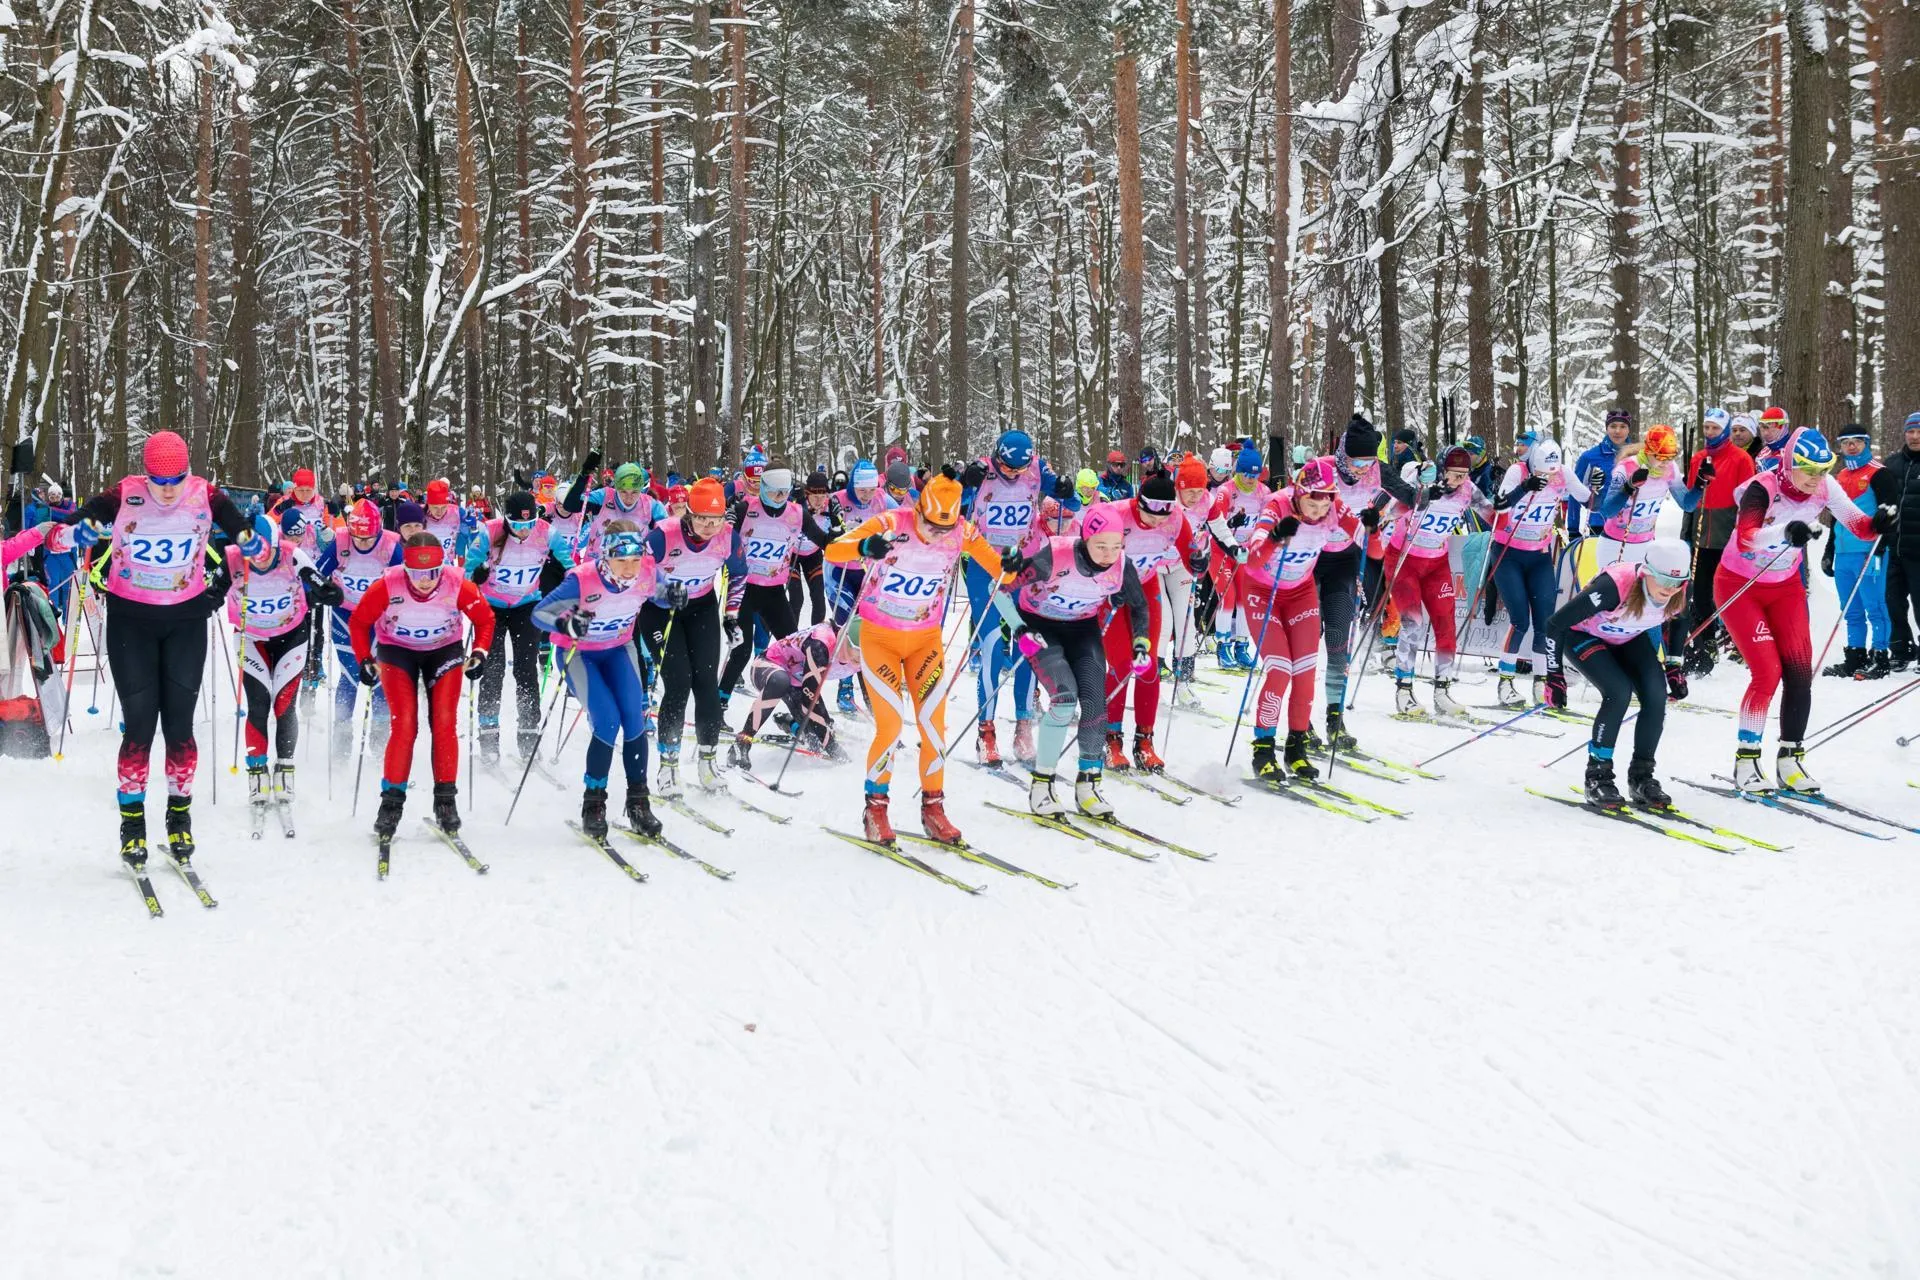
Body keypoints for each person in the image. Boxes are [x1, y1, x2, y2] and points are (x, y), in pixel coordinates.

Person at [68, 430, 263, 869]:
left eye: (176, 479)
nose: (169, 489)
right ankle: (132, 827)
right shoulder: (127, 493)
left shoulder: (204, 494)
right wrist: (80, 528)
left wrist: (248, 541)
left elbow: (238, 527)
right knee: (139, 727)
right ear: (146, 475)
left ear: (187, 472)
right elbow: (88, 514)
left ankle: (179, 819)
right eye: (160, 481)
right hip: (131, 621)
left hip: (185, 623)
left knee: (179, 728)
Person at [824, 472, 1004, 844]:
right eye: (931, 526)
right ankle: (875, 810)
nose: (937, 535)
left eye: (945, 529)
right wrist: (864, 546)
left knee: (934, 728)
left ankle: (933, 809)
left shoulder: (962, 531)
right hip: (880, 639)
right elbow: (833, 550)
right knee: (890, 727)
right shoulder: (892, 522)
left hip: (925, 642)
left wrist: (1018, 564)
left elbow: (999, 566)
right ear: (918, 511)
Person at [1717, 428, 1891, 791]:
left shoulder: (1826, 485)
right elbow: (1747, 538)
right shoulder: (1763, 487)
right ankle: (1746, 760)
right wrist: (1785, 531)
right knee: (1767, 672)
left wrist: (1878, 524)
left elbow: (1858, 525)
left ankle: (1790, 760)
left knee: (1799, 671)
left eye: (1823, 469)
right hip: (1741, 585)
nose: (1816, 478)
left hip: (1785, 588)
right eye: (1808, 470)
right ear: (1789, 465)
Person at [999, 504, 1148, 817]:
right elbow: (997, 589)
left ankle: (1088, 786)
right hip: (1040, 626)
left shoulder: (1122, 565)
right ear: (1086, 538)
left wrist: (1140, 645)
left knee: (1095, 701)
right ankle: (1042, 785)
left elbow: (1139, 606)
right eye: (1101, 546)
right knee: (1064, 698)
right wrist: (1019, 629)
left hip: (1082, 629)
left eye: (1116, 546)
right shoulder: (1056, 555)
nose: (1109, 554)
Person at [347, 533, 495, 836]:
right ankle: (391, 803)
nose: (425, 581)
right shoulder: (387, 584)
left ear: (442, 567)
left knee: (444, 721)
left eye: (432, 572)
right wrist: (364, 659)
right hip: (396, 652)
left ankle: (445, 801)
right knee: (404, 724)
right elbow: (359, 623)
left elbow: (485, 619)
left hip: (444, 650)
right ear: (405, 569)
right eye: (416, 574)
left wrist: (479, 652)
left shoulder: (457, 583)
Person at [531, 522, 662, 838]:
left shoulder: (647, 571)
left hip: (619, 650)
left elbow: (664, 593)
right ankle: (594, 803)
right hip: (579, 655)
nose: (630, 568)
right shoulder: (582, 579)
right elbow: (540, 613)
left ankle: (639, 803)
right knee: (607, 721)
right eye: (621, 560)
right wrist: (566, 623)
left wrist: (674, 594)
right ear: (606, 556)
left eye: (635, 559)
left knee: (635, 720)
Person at [1547, 538, 1693, 808]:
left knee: (1656, 695)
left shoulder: (1679, 589)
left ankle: (1641, 777)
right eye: (1664, 580)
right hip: (1583, 636)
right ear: (1646, 572)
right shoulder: (1614, 586)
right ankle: (1598, 776)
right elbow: (1555, 624)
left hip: (1627, 637)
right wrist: (1554, 675)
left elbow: (1680, 621)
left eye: (1677, 582)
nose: (1670, 588)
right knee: (1618, 692)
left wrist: (1674, 666)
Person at [1239, 458, 1361, 779]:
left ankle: (1296, 749)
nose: (1318, 513)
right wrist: (1275, 537)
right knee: (1280, 670)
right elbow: (1252, 561)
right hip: (1262, 593)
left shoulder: (1334, 508)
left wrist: (1374, 527)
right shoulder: (1276, 504)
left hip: (1300, 594)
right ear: (1298, 492)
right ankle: (1263, 749)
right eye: (1312, 504)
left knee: (1305, 673)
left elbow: (1372, 544)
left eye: (1324, 506)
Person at [223, 508, 339, 813]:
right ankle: (257, 773)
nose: (261, 559)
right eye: (254, 553)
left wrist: (326, 594)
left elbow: (321, 585)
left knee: (284, 703)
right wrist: (203, 601)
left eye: (268, 552)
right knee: (258, 703)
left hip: (291, 637)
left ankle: (285, 770)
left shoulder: (292, 555)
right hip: (251, 639)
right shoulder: (233, 558)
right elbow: (211, 590)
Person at [641, 476, 746, 794]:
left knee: (706, 682)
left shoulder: (728, 537)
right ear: (688, 513)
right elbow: (637, 574)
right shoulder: (663, 535)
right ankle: (668, 766)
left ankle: (707, 763)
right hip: (660, 611)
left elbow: (739, 574)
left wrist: (731, 616)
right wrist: (663, 591)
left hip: (701, 606)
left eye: (716, 519)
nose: (709, 526)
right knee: (678, 682)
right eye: (702, 518)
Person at [959, 429, 1052, 765]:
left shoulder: (1037, 469)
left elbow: (1069, 501)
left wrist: (1065, 488)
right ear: (997, 456)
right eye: (1008, 467)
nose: (1013, 474)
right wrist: (964, 483)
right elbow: (952, 507)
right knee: (992, 645)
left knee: (1029, 645)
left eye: (1019, 469)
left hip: (1023, 566)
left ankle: (1024, 725)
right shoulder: (982, 470)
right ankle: (986, 730)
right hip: (985, 567)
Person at [1092, 473, 1193, 771]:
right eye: (1150, 517)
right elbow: (1086, 553)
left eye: (1163, 518)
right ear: (1139, 503)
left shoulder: (1176, 518)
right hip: (1110, 592)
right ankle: (1110, 739)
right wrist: (1107, 584)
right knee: (1123, 665)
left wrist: (1198, 561)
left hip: (1146, 589)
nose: (1156, 523)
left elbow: (1190, 556)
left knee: (1147, 664)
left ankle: (1144, 741)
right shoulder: (1115, 515)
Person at [1389, 444, 1493, 717]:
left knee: (1446, 624)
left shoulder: (1468, 489)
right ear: (1442, 470)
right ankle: (1404, 689)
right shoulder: (1423, 483)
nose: (1459, 480)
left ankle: (1442, 691)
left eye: (1464, 474)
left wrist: (1509, 508)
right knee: (1413, 623)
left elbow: (1491, 513)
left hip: (1436, 563)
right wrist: (1417, 495)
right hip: (1404, 560)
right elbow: (1391, 509)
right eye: (1454, 474)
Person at [1489, 436, 1593, 707]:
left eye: (1550, 472)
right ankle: (1506, 682)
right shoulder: (1517, 472)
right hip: (1508, 554)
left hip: (1539, 556)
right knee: (1520, 621)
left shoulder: (1563, 473)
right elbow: (1500, 505)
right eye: (1541, 472)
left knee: (1545, 622)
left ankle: (1541, 682)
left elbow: (1591, 502)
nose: (1546, 477)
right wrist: (1525, 487)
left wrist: (1599, 487)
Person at [719, 466, 831, 703]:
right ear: (763, 488)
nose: (779, 498)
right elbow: (720, 544)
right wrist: (725, 523)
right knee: (741, 651)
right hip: (744, 590)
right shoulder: (745, 508)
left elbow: (826, 543)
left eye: (784, 492)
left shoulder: (797, 514)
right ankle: (718, 706)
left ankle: (806, 709)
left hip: (774, 593)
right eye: (774, 492)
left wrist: (841, 528)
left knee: (793, 653)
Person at [466, 490, 551, 762]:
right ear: (506, 520)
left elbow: (570, 564)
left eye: (529, 524)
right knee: (493, 669)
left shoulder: (546, 532)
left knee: (526, 669)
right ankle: (488, 736)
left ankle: (528, 733)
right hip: (491, 607)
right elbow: (467, 573)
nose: (524, 531)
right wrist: (476, 574)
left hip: (527, 605)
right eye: (517, 525)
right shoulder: (488, 533)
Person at [320, 498, 402, 755]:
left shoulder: (391, 545)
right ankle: (342, 739)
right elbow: (317, 574)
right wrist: (324, 590)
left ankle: (380, 740)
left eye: (369, 539)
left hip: (380, 619)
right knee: (350, 674)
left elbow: (405, 580)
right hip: (345, 616)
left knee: (380, 675)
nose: (363, 544)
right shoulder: (341, 541)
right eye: (358, 538)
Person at [1682, 408, 1756, 674]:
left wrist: (1743, 532)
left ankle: (1741, 641)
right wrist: (1686, 532)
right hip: (1702, 533)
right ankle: (1706, 641)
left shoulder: (1740, 458)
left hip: (1728, 533)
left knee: (1728, 591)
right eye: (1707, 427)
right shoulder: (1698, 457)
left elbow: (1749, 498)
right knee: (1700, 592)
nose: (1710, 433)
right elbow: (1690, 498)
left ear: (1725, 430)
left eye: (1715, 428)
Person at [729, 619, 860, 768]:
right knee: (781, 682)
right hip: (768, 666)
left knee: (816, 744)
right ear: (845, 638)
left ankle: (790, 724)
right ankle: (742, 742)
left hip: (797, 684)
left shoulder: (864, 656)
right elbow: (809, 700)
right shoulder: (821, 644)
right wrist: (834, 749)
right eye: (857, 649)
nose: (861, 657)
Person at [1819, 426, 1892, 679]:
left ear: (1866, 443)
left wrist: (1880, 547)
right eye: (1846, 442)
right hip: (1844, 553)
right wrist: (1829, 551)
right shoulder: (1839, 476)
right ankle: (1855, 656)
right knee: (1851, 608)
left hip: (1869, 551)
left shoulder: (1879, 473)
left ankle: (1880, 657)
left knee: (1875, 606)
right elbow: (1836, 519)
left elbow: (1891, 514)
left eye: (1857, 441)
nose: (1851, 446)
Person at [1203, 443, 1272, 671]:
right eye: (1246, 474)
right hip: (1221, 551)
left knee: (1245, 598)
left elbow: (1266, 522)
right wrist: (1232, 522)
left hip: (1245, 553)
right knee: (1228, 596)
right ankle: (1223, 645)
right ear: (1238, 471)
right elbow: (1216, 524)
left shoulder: (1264, 493)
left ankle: (1241, 645)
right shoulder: (1226, 491)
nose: (1250, 480)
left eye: (1255, 475)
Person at [1871, 411, 1920, 670]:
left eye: (1919, 432)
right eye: (1910, 431)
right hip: (1892, 548)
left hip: (1918, 549)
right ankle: (1901, 649)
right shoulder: (1891, 464)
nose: (1914, 436)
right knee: (1892, 601)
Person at [1568, 408, 1633, 538]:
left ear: (1628, 429)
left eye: (1623, 426)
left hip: (1631, 524)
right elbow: (1575, 493)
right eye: (1613, 426)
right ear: (1606, 428)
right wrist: (1573, 529)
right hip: (1599, 524)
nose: (1617, 431)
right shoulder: (1589, 457)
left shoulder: (1637, 456)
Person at [789, 470, 836, 626]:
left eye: (823, 496)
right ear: (807, 494)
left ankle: (816, 636)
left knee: (819, 600)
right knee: (796, 599)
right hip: (792, 555)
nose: (819, 501)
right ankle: (791, 636)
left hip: (813, 555)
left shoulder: (830, 506)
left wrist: (836, 520)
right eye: (815, 496)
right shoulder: (797, 504)